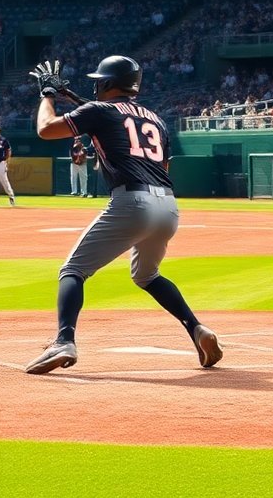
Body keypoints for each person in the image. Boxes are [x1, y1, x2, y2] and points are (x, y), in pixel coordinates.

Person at [23, 56, 222, 374]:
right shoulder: (154, 119)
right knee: (148, 276)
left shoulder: (99, 111)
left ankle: (64, 340)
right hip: (168, 205)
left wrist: (47, 94)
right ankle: (198, 330)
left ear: (107, 83)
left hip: (132, 201)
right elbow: (113, 121)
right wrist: (72, 96)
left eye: (99, 80)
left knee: (73, 270)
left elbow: (46, 130)